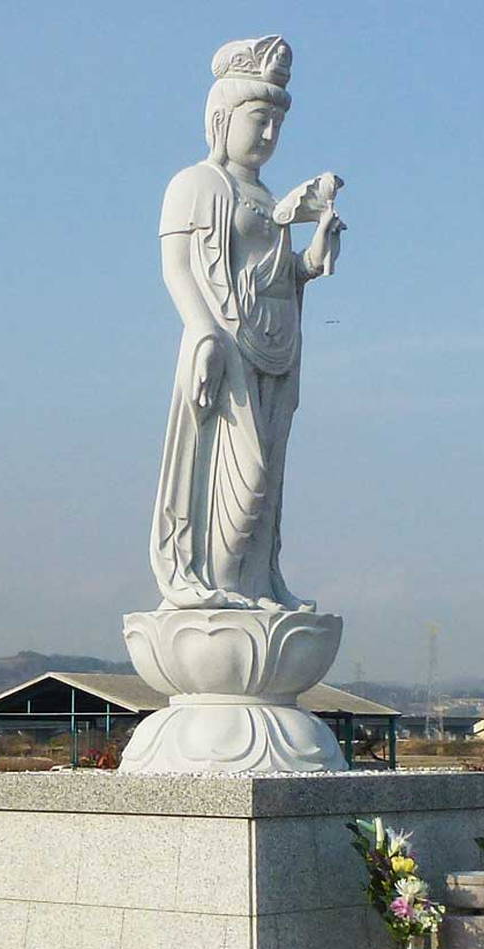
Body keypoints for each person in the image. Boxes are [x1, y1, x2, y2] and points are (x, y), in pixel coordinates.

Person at [150, 36, 343, 611]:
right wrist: (202, 330)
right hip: (225, 345)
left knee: (270, 475)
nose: (267, 136)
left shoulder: (266, 198)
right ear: (221, 118)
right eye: (258, 120)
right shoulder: (195, 184)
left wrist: (314, 251)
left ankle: (256, 581)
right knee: (242, 472)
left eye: (276, 126)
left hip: (273, 347)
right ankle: (215, 584)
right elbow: (177, 267)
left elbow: (281, 274)